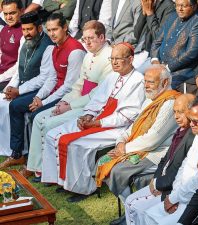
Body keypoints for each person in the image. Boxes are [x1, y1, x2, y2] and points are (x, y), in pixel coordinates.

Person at [41, 42, 145, 202]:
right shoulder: (112, 76)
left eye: (119, 59)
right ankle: (61, 180)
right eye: (112, 59)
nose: (114, 62)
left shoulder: (138, 80)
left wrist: (97, 123)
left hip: (117, 127)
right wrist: (88, 115)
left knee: (76, 144)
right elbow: (97, 100)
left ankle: (83, 189)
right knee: (52, 134)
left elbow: (127, 115)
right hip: (97, 119)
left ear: (130, 59)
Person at [25, 20, 112, 179]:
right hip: (76, 101)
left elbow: (98, 94)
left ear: (102, 37)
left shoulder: (110, 57)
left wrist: (70, 106)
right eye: (84, 39)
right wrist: (63, 101)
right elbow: (79, 83)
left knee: (49, 123)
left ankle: (50, 171)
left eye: (91, 38)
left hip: (92, 108)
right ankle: (36, 165)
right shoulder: (89, 55)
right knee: (38, 118)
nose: (87, 43)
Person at [0, 13, 86, 169]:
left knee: (35, 115)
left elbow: (69, 86)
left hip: (67, 96)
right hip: (51, 91)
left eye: (55, 29)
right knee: (16, 106)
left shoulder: (74, 51)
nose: (52, 34)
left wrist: (42, 102)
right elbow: (50, 78)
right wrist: (38, 98)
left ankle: (37, 163)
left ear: (65, 28)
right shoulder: (53, 47)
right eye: (49, 30)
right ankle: (18, 154)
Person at [101, 68, 183, 225]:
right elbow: (133, 128)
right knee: (104, 161)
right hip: (136, 148)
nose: (146, 85)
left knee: (116, 169)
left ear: (165, 82)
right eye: (145, 81)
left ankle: (129, 215)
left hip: (155, 153)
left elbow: (153, 139)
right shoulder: (150, 99)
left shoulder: (171, 102)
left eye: (151, 82)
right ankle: (129, 212)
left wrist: (124, 149)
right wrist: (120, 141)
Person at [140, 99, 198, 224]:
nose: (191, 124)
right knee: (147, 216)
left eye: (195, 121)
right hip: (179, 194)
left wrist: (174, 198)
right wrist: (174, 194)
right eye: (190, 119)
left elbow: (197, 179)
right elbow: (185, 166)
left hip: (194, 201)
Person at [124, 94, 195, 225]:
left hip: (171, 189)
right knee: (130, 201)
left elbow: (180, 172)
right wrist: (155, 181)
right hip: (161, 183)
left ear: (192, 111)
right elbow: (164, 160)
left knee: (135, 207)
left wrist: (158, 184)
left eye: (181, 112)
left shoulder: (192, 136)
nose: (176, 116)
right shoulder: (180, 131)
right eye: (174, 112)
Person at [0, 10, 54, 157]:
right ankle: (5, 147)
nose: (26, 33)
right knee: (2, 100)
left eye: (30, 29)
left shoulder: (48, 46)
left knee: (15, 105)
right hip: (23, 87)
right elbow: (19, 68)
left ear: (39, 28)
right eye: (24, 29)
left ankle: (17, 152)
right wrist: (11, 87)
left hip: (41, 90)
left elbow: (44, 78)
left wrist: (19, 91)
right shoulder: (24, 40)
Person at [150, 0, 198, 90]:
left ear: (194, 6)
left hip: (180, 74)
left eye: (183, 6)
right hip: (159, 66)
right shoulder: (173, 16)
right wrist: (155, 61)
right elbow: (157, 41)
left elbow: (191, 53)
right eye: (177, 5)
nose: (180, 9)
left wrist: (167, 68)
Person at [133, 0, 175, 71]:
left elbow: (159, 37)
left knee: (134, 75)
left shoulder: (169, 6)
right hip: (138, 50)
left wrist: (150, 14)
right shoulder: (148, 3)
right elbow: (136, 34)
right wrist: (144, 13)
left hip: (153, 54)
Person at [0, 0, 23, 91]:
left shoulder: (26, 31)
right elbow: (1, 53)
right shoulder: (4, 30)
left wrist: (1, 77)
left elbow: (19, 66)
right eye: (5, 14)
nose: (8, 17)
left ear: (21, 11)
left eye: (12, 13)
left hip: (12, 77)